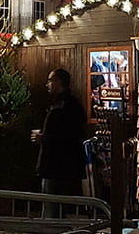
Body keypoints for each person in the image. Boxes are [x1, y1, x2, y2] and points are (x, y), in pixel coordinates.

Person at [33, 68, 88, 201]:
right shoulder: (68, 104)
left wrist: (44, 138)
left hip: (57, 166)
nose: (47, 84)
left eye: (50, 80)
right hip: (65, 167)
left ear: (59, 82)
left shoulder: (64, 106)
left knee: (52, 205)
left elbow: (69, 137)